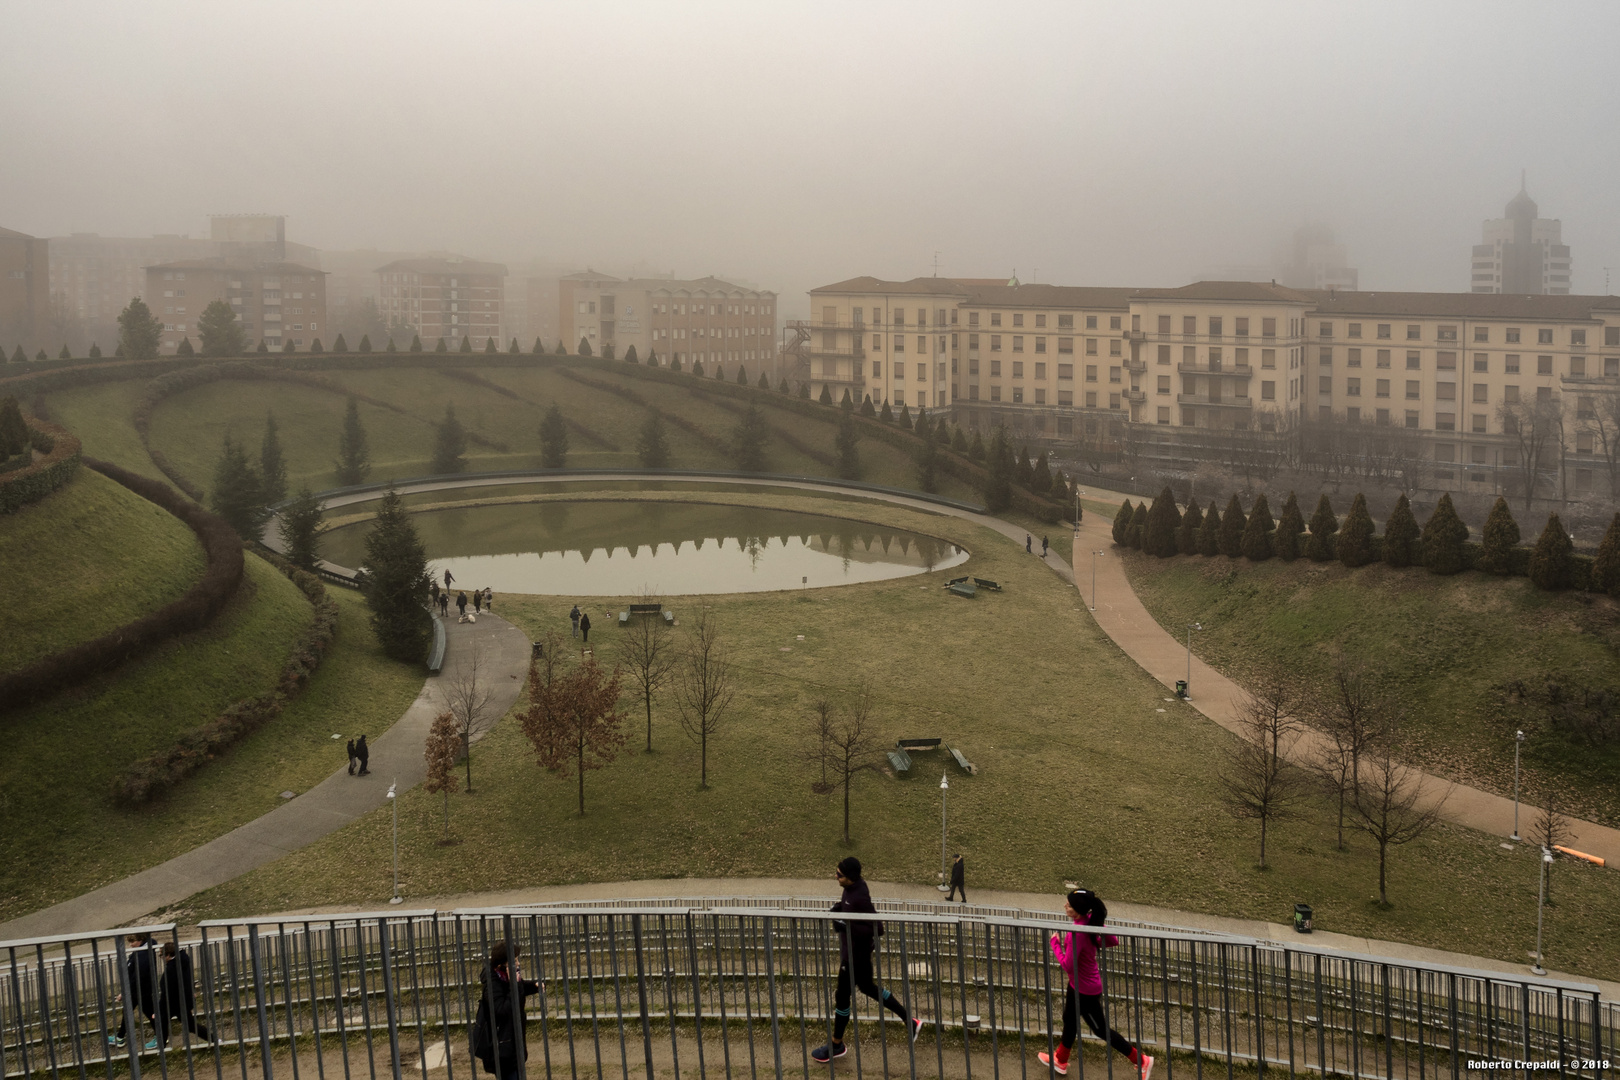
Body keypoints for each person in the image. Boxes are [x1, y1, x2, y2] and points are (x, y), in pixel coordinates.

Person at [811, 857, 923, 1062]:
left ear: (850, 878)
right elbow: (851, 912)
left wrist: (846, 925)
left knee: (843, 996)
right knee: (868, 988)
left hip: (855, 956)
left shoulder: (860, 896)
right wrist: (839, 909)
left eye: (839, 875)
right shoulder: (852, 890)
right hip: (854, 953)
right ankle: (910, 1020)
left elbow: (877, 928)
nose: (835, 876)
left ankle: (836, 1045)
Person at [1037, 889, 1154, 1079]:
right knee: (1069, 1020)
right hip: (1077, 986)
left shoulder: (1077, 933)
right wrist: (1097, 930)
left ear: (1079, 909)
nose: (1065, 906)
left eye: (1069, 904)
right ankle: (1060, 1059)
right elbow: (1112, 941)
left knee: (1100, 1030)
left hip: (1085, 991)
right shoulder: (1087, 924)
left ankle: (1141, 1060)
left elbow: (1068, 965)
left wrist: (1055, 944)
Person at [471, 941, 540, 1077]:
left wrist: (534, 986)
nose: (518, 963)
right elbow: (503, 1009)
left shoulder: (503, 978)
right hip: (502, 1049)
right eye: (514, 961)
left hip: (511, 1043)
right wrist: (514, 984)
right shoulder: (493, 983)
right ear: (501, 965)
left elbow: (515, 992)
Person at [157, 941, 211, 1046]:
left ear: (168, 955)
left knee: (187, 1025)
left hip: (175, 1002)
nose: (162, 958)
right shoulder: (182, 961)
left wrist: (160, 1004)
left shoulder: (172, 968)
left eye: (162, 956)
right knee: (189, 1025)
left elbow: (167, 989)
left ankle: (162, 1045)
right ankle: (213, 1039)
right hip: (181, 1001)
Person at [110, 932, 159, 1049]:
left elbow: (137, 977)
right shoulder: (142, 951)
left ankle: (160, 1036)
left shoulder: (143, 955)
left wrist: (125, 991)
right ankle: (120, 1037)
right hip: (137, 989)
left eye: (133, 942)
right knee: (128, 1011)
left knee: (150, 1012)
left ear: (141, 940)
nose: (131, 945)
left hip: (141, 990)